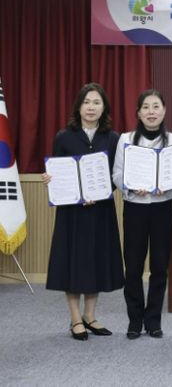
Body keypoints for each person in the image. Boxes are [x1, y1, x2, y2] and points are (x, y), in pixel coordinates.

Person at [43, 83, 124, 341]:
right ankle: (75, 318)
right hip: (72, 213)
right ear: (78, 107)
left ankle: (90, 316)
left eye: (96, 102)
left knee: (95, 261)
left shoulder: (113, 138)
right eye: (86, 102)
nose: (91, 107)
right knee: (73, 261)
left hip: (100, 210)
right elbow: (57, 171)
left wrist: (99, 192)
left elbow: (115, 175)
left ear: (104, 108)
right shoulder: (63, 137)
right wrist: (49, 178)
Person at [112, 89, 172, 339]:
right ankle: (135, 320)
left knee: (160, 266)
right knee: (133, 266)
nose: (151, 112)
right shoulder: (126, 139)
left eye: (156, 107)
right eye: (146, 107)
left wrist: (169, 183)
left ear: (164, 111)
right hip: (135, 207)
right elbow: (117, 173)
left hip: (163, 206)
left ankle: (153, 321)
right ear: (138, 113)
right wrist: (131, 186)